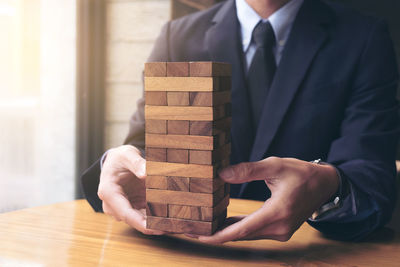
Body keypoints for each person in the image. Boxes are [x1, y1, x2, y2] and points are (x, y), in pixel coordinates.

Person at [81, 0, 399, 243]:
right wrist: (115, 162)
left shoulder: (363, 37)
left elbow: (372, 172)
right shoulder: (176, 36)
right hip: (187, 250)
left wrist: (327, 184)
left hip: (309, 250)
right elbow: (145, 146)